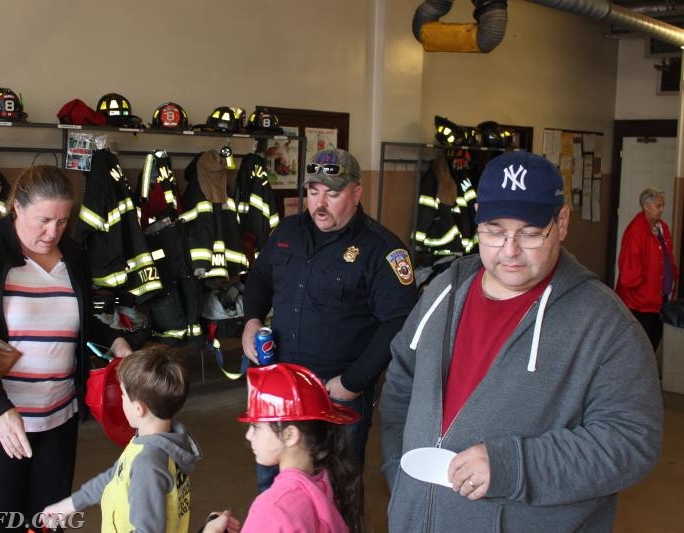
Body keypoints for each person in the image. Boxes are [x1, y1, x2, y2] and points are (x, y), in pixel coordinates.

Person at [380, 151, 664, 532]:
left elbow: (631, 441)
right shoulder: (445, 290)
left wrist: (513, 466)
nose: (510, 250)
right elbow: (401, 378)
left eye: (530, 233)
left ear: (561, 222)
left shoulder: (604, 324)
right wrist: (400, 472)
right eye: (495, 230)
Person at [0, 165, 136, 532]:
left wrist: (114, 339)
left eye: (62, 221)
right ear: (16, 207)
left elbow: (78, 320)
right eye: (43, 220)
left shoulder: (73, 256)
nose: (52, 232)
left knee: (46, 525)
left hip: (56, 422)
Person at [241, 148, 418, 490]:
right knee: (271, 484)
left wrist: (352, 383)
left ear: (356, 193)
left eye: (333, 193)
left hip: (335, 392)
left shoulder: (381, 249)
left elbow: (398, 323)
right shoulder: (287, 232)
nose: (320, 203)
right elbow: (260, 278)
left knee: (335, 490)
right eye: (313, 191)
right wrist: (251, 320)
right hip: (279, 384)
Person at [42, 348, 200, 532]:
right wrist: (70, 505)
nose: (120, 399)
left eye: (123, 395)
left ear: (138, 409)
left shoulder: (148, 465)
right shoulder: (161, 442)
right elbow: (115, 476)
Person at [201, 363, 364, 533]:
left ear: (289, 435)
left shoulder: (272, 507)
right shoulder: (325, 483)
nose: (248, 436)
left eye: (256, 427)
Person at [616, 186, 678, 351]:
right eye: (658, 206)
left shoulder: (662, 228)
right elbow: (629, 273)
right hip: (640, 304)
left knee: (653, 345)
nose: (662, 210)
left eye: (662, 205)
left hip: (658, 300)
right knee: (639, 348)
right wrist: (646, 288)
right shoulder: (636, 231)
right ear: (646, 207)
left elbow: (667, 259)